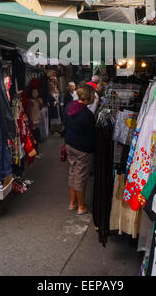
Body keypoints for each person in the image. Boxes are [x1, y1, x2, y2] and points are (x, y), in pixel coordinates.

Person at [64, 84, 96, 215]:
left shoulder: (69, 107)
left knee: (72, 173)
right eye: (93, 95)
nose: (95, 97)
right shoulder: (87, 114)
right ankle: (81, 206)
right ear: (88, 97)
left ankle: (72, 203)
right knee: (80, 176)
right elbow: (91, 134)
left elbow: (65, 123)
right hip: (82, 149)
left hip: (70, 144)